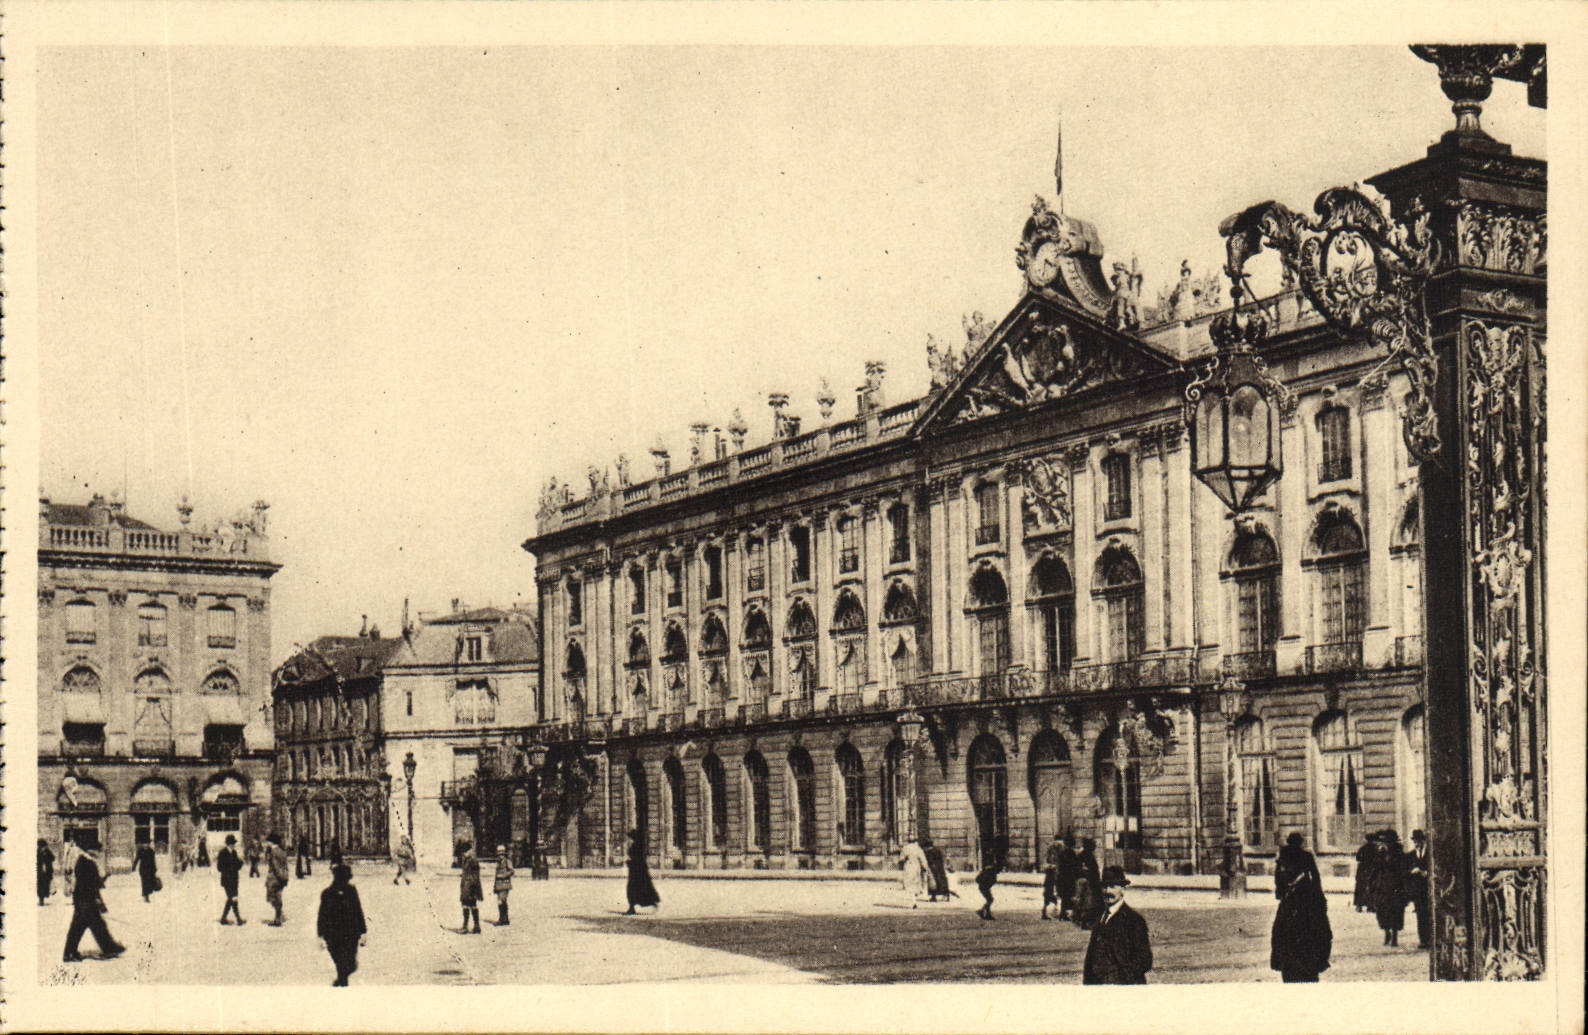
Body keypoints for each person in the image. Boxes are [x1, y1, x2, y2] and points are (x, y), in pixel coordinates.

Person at [1270, 832, 1332, 982]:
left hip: (1289, 901)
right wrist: (1319, 897)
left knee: (1281, 931)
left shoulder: (1282, 858)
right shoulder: (1306, 856)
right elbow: (1315, 878)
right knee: (1318, 929)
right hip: (1306, 898)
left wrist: (1281, 893)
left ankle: (1285, 963)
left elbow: (1278, 881)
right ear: (1301, 843)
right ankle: (1316, 962)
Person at [1082, 865, 1153, 984]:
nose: (1107, 891)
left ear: (1123, 889)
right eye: (1104, 887)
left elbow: (1144, 960)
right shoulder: (1100, 918)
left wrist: (1119, 979)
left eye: (1112, 886)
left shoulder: (1134, 920)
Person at [62, 848, 126, 962]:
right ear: (90, 850)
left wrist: (102, 880)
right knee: (79, 927)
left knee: (97, 925)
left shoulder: (86, 860)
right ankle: (69, 953)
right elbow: (88, 882)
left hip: (85, 899)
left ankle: (109, 947)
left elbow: (91, 881)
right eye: (97, 849)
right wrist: (96, 896)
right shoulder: (86, 862)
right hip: (85, 900)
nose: (99, 852)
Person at [317, 864, 367, 987]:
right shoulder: (327, 894)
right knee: (342, 964)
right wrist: (321, 936)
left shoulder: (351, 891)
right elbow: (322, 915)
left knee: (348, 965)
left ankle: (341, 981)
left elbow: (358, 911)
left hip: (350, 935)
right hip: (333, 936)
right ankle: (342, 983)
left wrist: (363, 932)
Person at [1371, 829, 1409, 947]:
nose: (1384, 844)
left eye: (1387, 842)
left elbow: (1403, 870)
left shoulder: (1399, 853)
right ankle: (1387, 933)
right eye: (1383, 842)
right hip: (1382, 887)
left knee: (1396, 912)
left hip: (1396, 887)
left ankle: (1395, 937)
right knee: (1382, 912)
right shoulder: (1380, 853)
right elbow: (1375, 868)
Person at [623, 828, 660, 915]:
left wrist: (629, 862)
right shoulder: (637, 845)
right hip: (636, 870)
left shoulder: (637, 846)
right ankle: (632, 907)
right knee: (636, 889)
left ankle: (633, 907)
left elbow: (637, 858)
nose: (630, 839)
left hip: (637, 871)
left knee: (635, 889)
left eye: (631, 837)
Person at [1072, 837, 1104, 929]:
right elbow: (1089, 870)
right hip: (1089, 882)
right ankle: (1086, 922)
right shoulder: (1087, 855)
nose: (1094, 847)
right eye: (1093, 845)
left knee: (1085, 902)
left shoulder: (1084, 854)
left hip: (1087, 881)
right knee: (1088, 903)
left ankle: (1081, 920)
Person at [1407, 829, 1432, 949]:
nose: (1416, 844)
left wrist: (1426, 873)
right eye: (1414, 841)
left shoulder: (1430, 853)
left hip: (1428, 887)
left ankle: (1431, 939)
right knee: (1420, 914)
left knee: (1429, 913)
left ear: (1423, 841)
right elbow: (1407, 869)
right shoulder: (1412, 854)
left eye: (1417, 841)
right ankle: (1423, 939)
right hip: (1417, 888)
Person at [974, 836, 1008, 921]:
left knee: (989, 899)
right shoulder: (990, 867)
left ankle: (986, 913)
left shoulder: (990, 863)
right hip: (983, 885)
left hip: (983, 885)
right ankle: (981, 911)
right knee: (990, 899)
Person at [217, 834, 245, 925]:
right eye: (232, 843)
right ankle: (238, 919)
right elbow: (219, 867)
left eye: (234, 843)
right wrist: (230, 868)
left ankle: (223, 919)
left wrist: (240, 862)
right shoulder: (222, 853)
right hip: (227, 880)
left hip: (234, 880)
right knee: (232, 899)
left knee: (232, 899)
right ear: (228, 844)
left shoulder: (234, 853)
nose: (233, 845)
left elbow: (237, 866)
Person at [264, 831, 290, 926]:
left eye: (268, 842)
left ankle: (278, 917)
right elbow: (285, 865)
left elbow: (275, 866)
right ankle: (278, 917)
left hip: (274, 878)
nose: (267, 844)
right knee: (278, 896)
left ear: (272, 842)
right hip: (283, 876)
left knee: (271, 897)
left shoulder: (273, 852)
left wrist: (279, 876)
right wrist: (285, 877)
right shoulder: (282, 851)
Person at [1055, 837, 1083, 922]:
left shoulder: (1061, 853)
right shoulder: (1072, 853)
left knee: (1064, 897)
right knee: (1069, 896)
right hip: (1070, 878)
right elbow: (1076, 866)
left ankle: (1063, 914)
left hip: (1062, 878)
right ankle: (1065, 914)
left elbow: (1059, 866)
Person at [458, 840, 483, 933]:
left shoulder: (473, 861)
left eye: (465, 852)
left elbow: (476, 875)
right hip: (466, 887)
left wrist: (473, 887)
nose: (464, 854)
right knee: (467, 906)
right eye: (463, 852)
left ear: (470, 851)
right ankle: (471, 926)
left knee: (471, 906)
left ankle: (473, 926)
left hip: (471, 887)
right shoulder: (466, 860)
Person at [899, 838, 930, 907]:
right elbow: (923, 859)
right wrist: (925, 867)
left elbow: (901, 859)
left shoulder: (905, 848)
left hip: (908, 866)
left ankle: (913, 900)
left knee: (909, 884)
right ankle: (915, 897)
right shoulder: (918, 848)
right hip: (916, 866)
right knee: (916, 883)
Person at [1040, 835, 1065, 920]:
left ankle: (1055, 911)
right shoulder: (1052, 849)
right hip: (1051, 875)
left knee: (1055, 893)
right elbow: (1046, 862)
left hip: (1055, 875)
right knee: (1049, 894)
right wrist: (1051, 866)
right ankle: (1047, 912)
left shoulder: (1059, 849)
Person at [1353, 834, 1378, 913]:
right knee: (1372, 887)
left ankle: (1359, 906)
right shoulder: (1376, 849)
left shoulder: (1363, 848)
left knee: (1360, 887)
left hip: (1362, 869)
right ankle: (1370, 906)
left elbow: (1357, 858)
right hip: (1372, 869)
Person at [492, 845, 515, 925]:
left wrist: (504, 875)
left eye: (501, 854)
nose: (500, 856)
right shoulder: (498, 862)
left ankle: (502, 919)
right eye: (499, 854)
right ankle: (504, 918)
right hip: (499, 885)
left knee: (501, 901)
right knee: (501, 902)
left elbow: (512, 871)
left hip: (505, 884)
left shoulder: (507, 861)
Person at [38, 839, 56, 905]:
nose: (44, 848)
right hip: (40, 873)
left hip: (47, 872)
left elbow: (53, 858)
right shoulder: (37, 852)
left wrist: (47, 855)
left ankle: (43, 897)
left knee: (46, 885)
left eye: (44, 847)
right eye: (43, 846)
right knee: (40, 886)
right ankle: (41, 900)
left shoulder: (48, 851)